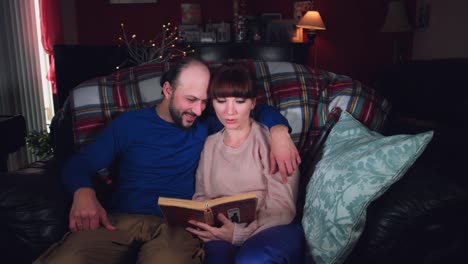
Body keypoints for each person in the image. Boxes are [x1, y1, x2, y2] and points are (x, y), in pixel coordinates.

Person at [34, 58, 301, 264]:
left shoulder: (206, 124)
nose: (198, 110)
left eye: (204, 102)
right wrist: (83, 192)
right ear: (167, 90)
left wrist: (278, 132)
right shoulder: (129, 125)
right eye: (191, 100)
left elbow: (252, 107)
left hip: (176, 228)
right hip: (120, 220)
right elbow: (79, 163)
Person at [186, 63, 303, 264]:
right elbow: (201, 195)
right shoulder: (210, 144)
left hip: (273, 227)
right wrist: (208, 226)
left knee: (252, 260)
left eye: (240, 101)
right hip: (222, 231)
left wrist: (239, 234)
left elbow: (283, 208)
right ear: (212, 103)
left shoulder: (271, 141)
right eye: (221, 101)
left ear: (252, 103)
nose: (229, 111)